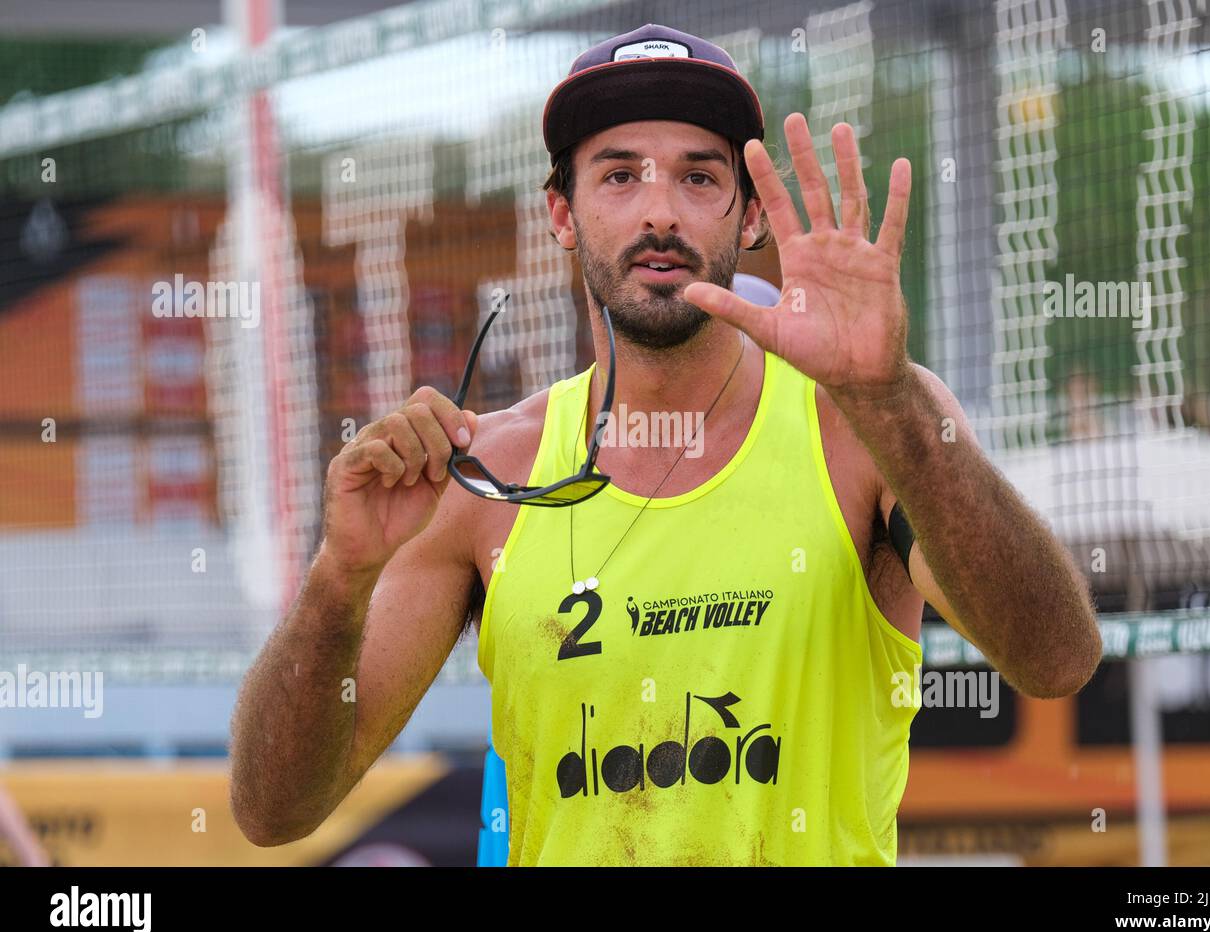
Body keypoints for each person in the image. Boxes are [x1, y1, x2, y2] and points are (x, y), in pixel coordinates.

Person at [230, 23, 1101, 865]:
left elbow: (1056, 661)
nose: (660, 212)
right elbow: (272, 813)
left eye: (698, 177)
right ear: (562, 214)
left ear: (750, 214)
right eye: (618, 177)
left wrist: (889, 397)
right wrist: (337, 582)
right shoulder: (485, 474)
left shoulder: (866, 426)